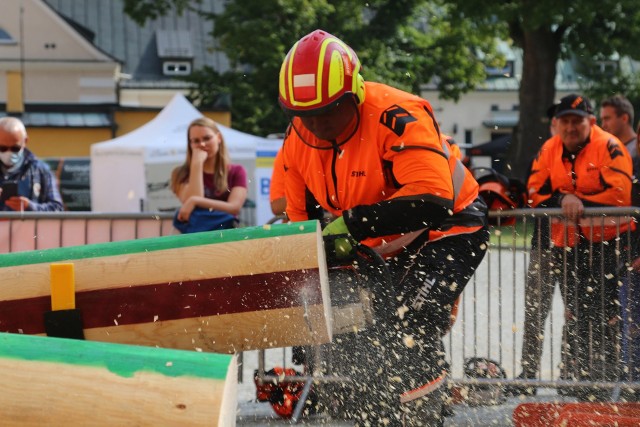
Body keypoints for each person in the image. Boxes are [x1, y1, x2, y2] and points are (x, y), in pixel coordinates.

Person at [278, 29, 489, 425]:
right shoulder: (297, 138)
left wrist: (354, 223)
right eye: (305, 115)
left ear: (354, 93)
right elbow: (301, 224)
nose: (318, 124)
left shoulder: (398, 114)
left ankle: (419, 416)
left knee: (413, 319)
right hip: (387, 241)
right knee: (365, 324)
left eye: (327, 111)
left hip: (452, 226)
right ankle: (379, 411)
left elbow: (433, 198)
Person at [527, 94, 633, 401]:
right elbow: (534, 192)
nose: (571, 127)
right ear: (556, 123)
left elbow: (620, 196)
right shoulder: (549, 148)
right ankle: (575, 382)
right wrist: (562, 200)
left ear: (591, 122)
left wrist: (578, 203)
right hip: (568, 244)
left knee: (604, 314)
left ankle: (603, 386)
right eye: (565, 121)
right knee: (575, 312)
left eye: (577, 121)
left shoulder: (609, 147)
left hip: (610, 244)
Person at [508, 103, 562, 396]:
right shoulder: (543, 156)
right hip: (543, 243)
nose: (559, 126)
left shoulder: (587, 155)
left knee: (575, 312)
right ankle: (528, 373)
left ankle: (573, 373)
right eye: (556, 120)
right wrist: (561, 199)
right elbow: (534, 196)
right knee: (534, 312)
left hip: (574, 245)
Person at [170, 117, 247, 232]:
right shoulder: (180, 173)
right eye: (196, 141)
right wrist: (197, 164)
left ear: (219, 138)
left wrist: (195, 201)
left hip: (225, 233)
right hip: (192, 235)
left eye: (207, 138)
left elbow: (234, 208)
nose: (202, 144)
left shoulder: (237, 171)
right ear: (190, 144)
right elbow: (193, 198)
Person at [0, 117, 63, 212]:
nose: (9, 153)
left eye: (15, 148)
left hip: (29, 227)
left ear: (25, 142)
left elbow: (57, 209)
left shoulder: (40, 170)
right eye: (3, 148)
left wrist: (29, 206)